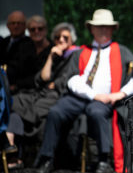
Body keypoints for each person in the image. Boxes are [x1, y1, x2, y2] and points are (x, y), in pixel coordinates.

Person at [35, 9, 133, 173]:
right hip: (80, 96)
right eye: (99, 26)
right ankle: (47, 159)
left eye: (107, 27)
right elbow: (71, 79)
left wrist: (119, 94)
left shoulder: (122, 52)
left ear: (113, 29)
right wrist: (93, 94)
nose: (103, 30)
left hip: (107, 99)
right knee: (56, 111)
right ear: (91, 29)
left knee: (96, 112)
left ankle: (103, 159)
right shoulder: (81, 52)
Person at [6, 22, 80, 163]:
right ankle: (11, 150)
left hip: (60, 95)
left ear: (72, 40)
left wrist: (54, 83)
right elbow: (42, 78)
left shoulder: (76, 54)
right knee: (14, 101)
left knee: (36, 108)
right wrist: (51, 58)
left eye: (65, 37)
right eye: (57, 37)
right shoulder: (55, 54)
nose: (61, 40)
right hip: (41, 92)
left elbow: (69, 80)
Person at [0, 11, 37, 93]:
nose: (16, 26)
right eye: (13, 23)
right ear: (7, 26)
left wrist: (16, 85)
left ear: (25, 26)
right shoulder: (4, 42)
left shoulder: (30, 44)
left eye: (19, 23)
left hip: (17, 88)